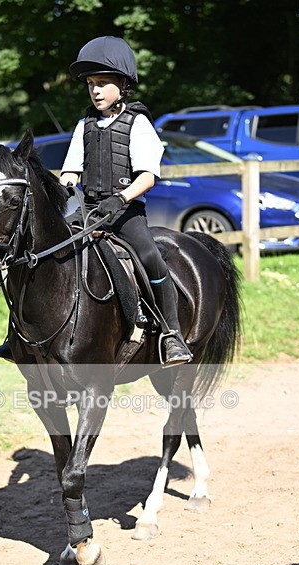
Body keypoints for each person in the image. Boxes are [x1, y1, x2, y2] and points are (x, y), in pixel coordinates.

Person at [59, 35, 192, 367]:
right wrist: (63, 187)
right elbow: (71, 170)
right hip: (88, 211)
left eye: (103, 83)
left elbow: (148, 176)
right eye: (91, 83)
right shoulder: (84, 125)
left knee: (151, 258)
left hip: (125, 212)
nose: (95, 90)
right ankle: (20, 334)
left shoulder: (139, 123)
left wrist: (121, 198)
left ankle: (171, 334)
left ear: (123, 84)